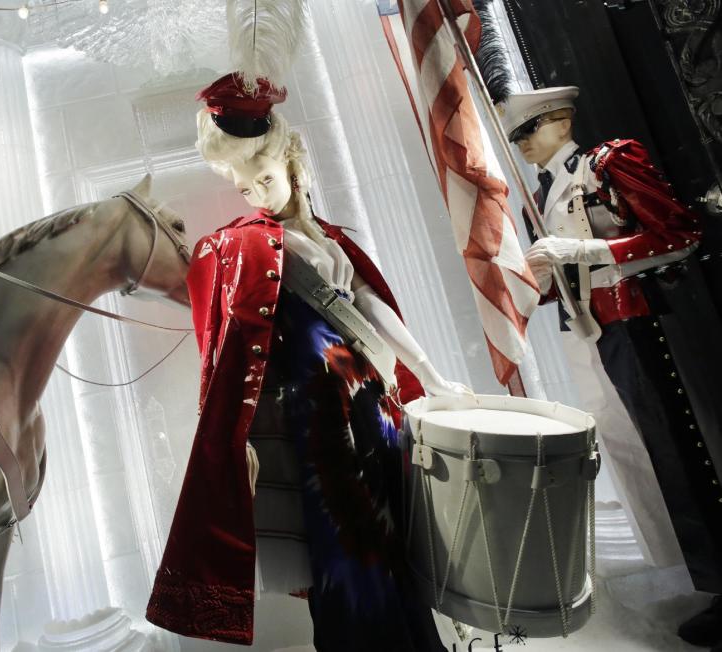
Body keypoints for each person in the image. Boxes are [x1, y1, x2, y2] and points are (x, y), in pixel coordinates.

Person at [146, 72, 464, 651]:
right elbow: (216, 305)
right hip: (320, 427)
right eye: (246, 187)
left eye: (264, 178)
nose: (258, 196)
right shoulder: (243, 244)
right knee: (347, 553)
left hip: (373, 411)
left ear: (294, 164)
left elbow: (376, 314)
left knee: (394, 545)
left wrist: (434, 376)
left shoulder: (336, 239)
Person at [501, 86, 722, 648]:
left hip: (637, 323)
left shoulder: (608, 162)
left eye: (528, 132)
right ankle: (706, 575)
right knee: (641, 452)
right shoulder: (547, 192)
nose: (523, 145)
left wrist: (588, 254)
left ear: (560, 120)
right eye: (519, 136)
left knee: (678, 448)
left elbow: (679, 234)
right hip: (595, 332)